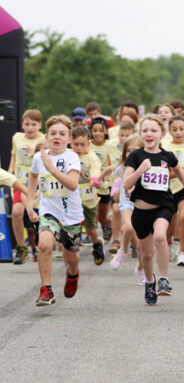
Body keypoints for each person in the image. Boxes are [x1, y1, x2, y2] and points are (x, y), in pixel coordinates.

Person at [124, 114, 184, 305]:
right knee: (145, 254)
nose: (149, 134)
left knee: (161, 237)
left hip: (163, 207)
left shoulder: (167, 156)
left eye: (153, 130)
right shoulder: (135, 156)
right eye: (145, 130)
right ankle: (149, 281)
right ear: (140, 133)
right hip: (140, 211)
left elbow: (180, 171)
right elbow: (126, 183)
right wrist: (140, 171)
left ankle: (163, 279)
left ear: (162, 134)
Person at [27, 115, 84, 306]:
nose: (57, 137)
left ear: (69, 138)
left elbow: (73, 184)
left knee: (71, 256)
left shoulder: (72, 157)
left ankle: (73, 274)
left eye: (62, 134)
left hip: (71, 214)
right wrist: (30, 201)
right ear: (46, 136)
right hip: (48, 211)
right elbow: (33, 177)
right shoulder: (38, 157)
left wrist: (52, 168)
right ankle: (46, 289)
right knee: (43, 245)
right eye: (53, 133)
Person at [8, 109, 46, 264]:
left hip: (37, 182)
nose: (30, 127)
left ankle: (42, 245)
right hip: (20, 180)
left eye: (34, 124)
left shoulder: (44, 139)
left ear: (40, 125)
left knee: (38, 216)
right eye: (27, 124)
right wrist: (10, 171)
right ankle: (21, 248)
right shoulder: (16, 137)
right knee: (17, 212)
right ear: (22, 124)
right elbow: (14, 154)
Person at [109, 135, 145, 285]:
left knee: (142, 241)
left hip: (143, 204)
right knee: (129, 227)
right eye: (128, 151)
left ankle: (142, 269)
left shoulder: (147, 167)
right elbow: (111, 175)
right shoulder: (122, 168)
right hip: (127, 203)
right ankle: (123, 250)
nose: (131, 153)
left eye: (135, 150)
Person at [70, 126, 106, 265]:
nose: (79, 147)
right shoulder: (68, 155)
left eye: (82, 144)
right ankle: (72, 249)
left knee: (91, 229)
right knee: (72, 226)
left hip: (88, 199)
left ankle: (96, 244)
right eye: (76, 144)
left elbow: (95, 175)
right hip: (72, 198)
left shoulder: (92, 158)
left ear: (88, 143)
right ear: (70, 142)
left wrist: (92, 179)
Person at [164, 115, 184, 266]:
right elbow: (163, 172)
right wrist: (180, 172)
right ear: (169, 130)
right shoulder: (164, 146)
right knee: (169, 226)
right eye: (174, 129)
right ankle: (170, 243)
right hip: (168, 190)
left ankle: (182, 252)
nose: (178, 132)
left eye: (181, 129)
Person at [89, 117, 114, 242]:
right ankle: (93, 239)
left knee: (101, 218)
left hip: (104, 186)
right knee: (91, 216)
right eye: (95, 130)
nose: (98, 133)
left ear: (106, 131)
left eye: (101, 130)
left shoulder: (110, 145)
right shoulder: (87, 145)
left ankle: (107, 226)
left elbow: (113, 162)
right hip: (90, 185)